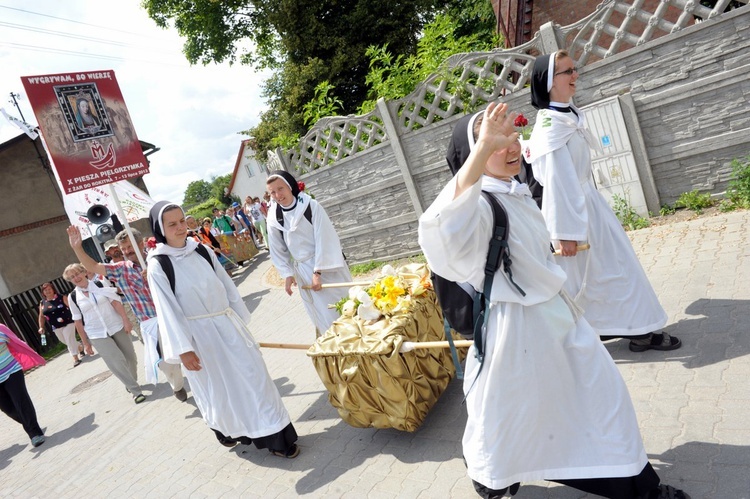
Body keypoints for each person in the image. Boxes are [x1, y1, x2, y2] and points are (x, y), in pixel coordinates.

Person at [418, 102, 690, 499]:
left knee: (548, 407)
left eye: (512, 135)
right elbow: (439, 229)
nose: (512, 146)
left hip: (554, 321)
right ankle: (637, 489)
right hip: (520, 332)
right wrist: (479, 155)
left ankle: (496, 476)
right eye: (495, 142)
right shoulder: (476, 205)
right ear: (472, 156)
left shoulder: (512, 190)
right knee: (535, 410)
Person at [524, 50, 681, 353]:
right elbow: (557, 183)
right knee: (612, 270)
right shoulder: (551, 126)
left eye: (574, 69)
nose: (575, 76)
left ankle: (628, 329)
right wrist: (565, 233)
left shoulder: (567, 115)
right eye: (567, 72)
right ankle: (640, 330)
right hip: (575, 214)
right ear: (548, 82)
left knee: (608, 270)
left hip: (588, 206)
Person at [146, 201, 299, 457]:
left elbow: (227, 285)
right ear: (160, 229)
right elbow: (166, 311)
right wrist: (183, 350)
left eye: (182, 221)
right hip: (199, 338)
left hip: (227, 326)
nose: (180, 228)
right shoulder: (159, 265)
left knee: (254, 378)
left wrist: (239, 321)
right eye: (171, 224)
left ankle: (278, 436)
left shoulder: (202, 250)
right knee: (220, 389)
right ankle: (227, 430)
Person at [67, 227, 187, 402]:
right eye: (123, 249)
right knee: (166, 364)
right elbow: (93, 266)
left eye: (130, 246)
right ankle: (177, 386)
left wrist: (155, 274)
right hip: (150, 322)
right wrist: (78, 248)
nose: (127, 251)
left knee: (191, 352)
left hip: (174, 315)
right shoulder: (121, 269)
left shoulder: (159, 260)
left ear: (141, 244)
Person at [266, 171, 351, 337]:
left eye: (280, 189)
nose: (278, 195)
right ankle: (337, 346)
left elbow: (325, 238)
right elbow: (277, 248)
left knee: (343, 305)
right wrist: (288, 274)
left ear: (290, 186)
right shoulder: (273, 218)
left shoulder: (310, 206)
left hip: (327, 266)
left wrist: (318, 271)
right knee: (322, 314)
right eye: (272, 192)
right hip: (303, 270)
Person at [63, 263, 147, 404]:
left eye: (77, 274)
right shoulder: (73, 297)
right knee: (116, 361)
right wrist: (85, 343)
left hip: (116, 325)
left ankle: (131, 380)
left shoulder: (100, 284)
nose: (76, 278)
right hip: (96, 333)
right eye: (72, 277)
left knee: (131, 358)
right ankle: (135, 390)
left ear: (84, 272)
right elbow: (77, 321)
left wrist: (126, 320)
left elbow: (116, 302)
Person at [0, 323, 46, 447]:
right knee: (7, 409)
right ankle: (29, 422)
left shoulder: (1, 328)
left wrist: (31, 355)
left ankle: (35, 433)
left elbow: (16, 342)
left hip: (12, 371)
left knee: (21, 401)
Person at [38, 282, 83, 368]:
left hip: (68, 322)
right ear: (43, 292)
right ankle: (79, 347)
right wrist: (41, 327)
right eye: (45, 290)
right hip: (55, 326)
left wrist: (77, 317)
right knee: (65, 341)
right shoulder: (42, 303)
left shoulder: (61, 297)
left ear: (53, 290)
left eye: (49, 289)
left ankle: (76, 358)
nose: (47, 291)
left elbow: (71, 307)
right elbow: (41, 316)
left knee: (69, 339)